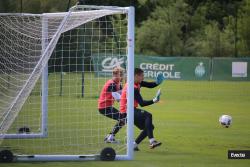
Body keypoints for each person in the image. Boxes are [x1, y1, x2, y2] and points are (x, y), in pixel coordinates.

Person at [120, 68, 164, 150]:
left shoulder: (137, 83)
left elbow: (150, 85)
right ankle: (152, 141)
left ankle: (134, 145)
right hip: (127, 111)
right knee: (148, 115)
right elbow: (142, 103)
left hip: (129, 110)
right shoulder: (132, 87)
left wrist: (157, 83)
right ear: (136, 76)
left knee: (150, 127)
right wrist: (154, 100)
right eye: (142, 76)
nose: (143, 78)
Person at [98, 66, 126, 143]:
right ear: (115, 74)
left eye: (122, 74)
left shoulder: (118, 83)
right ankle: (110, 137)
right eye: (121, 74)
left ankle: (110, 136)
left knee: (123, 119)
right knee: (123, 119)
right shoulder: (111, 84)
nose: (122, 76)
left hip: (108, 107)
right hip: (104, 107)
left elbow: (122, 93)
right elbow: (118, 98)